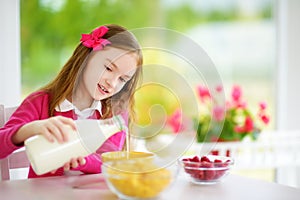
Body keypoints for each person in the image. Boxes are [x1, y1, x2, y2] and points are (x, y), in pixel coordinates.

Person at [0, 24, 143, 178]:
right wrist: (32, 128)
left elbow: (109, 162)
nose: (113, 83)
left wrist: (81, 159)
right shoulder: (40, 102)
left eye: (122, 79)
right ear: (86, 58)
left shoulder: (116, 113)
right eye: (108, 68)